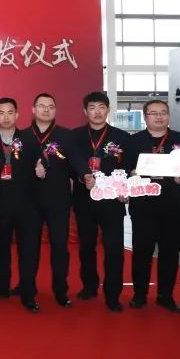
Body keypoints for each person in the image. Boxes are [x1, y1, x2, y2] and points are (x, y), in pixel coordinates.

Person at [68, 91, 134, 312]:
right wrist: (82, 177)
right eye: (92, 107)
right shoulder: (74, 136)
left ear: (108, 110)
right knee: (86, 247)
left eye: (101, 107)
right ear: (85, 111)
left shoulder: (122, 137)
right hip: (84, 199)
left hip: (112, 201)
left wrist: (125, 188)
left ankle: (113, 294)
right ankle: (89, 286)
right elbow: (69, 165)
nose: (97, 112)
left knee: (114, 250)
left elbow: (128, 168)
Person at [127, 99, 180, 314]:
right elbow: (123, 169)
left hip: (174, 206)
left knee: (170, 253)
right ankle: (139, 295)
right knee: (141, 252)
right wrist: (131, 174)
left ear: (168, 115)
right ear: (145, 117)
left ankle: (166, 296)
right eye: (153, 113)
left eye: (163, 112)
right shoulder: (133, 142)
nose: (159, 116)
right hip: (143, 206)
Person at [0, 97, 42, 313]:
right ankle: (1, 287)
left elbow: (41, 161)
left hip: (27, 205)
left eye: (10, 112)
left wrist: (42, 168)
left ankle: (28, 293)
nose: (6, 117)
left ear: (17, 115)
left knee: (27, 251)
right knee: (2, 249)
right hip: (1, 205)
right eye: (1, 113)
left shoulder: (28, 138)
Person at [28, 93, 75, 307]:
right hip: (29, 202)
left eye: (50, 106)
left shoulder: (66, 136)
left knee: (59, 246)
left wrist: (86, 175)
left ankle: (60, 290)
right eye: (42, 106)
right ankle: (28, 289)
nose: (46, 109)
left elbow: (75, 163)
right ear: (33, 109)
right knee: (29, 247)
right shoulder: (23, 136)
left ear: (55, 110)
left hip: (58, 201)